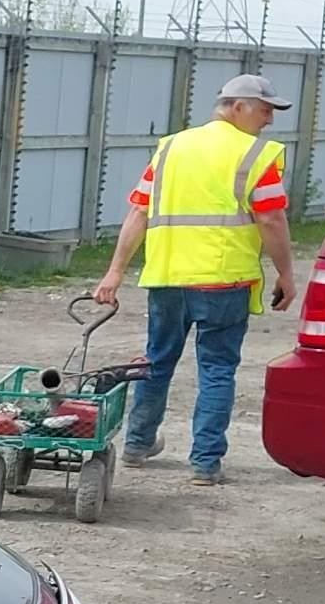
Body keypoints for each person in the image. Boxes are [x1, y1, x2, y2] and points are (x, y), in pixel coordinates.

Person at [92, 74, 298, 487]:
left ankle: (137, 444)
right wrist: (287, 273)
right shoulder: (256, 154)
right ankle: (205, 463)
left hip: (168, 278)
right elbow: (271, 218)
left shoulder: (172, 148)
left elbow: (139, 212)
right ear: (237, 106)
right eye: (265, 110)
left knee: (157, 361)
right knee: (218, 369)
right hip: (224, 281)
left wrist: (115, 270)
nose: (270, 121)